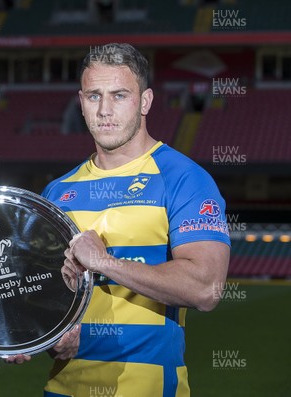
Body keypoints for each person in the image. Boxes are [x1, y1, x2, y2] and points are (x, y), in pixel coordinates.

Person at [41, 43, 230, 397]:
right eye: (94, 96)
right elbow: (50, 295)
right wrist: (49, 339)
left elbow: (207, 289)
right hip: (62, 388)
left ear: (145, 102)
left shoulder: (184, 178)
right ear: (81, 102)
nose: (105, 110)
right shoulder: (58, 190)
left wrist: (104, 263)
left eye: (119, 95)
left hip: (148, 388)